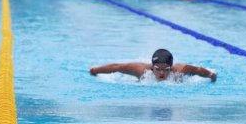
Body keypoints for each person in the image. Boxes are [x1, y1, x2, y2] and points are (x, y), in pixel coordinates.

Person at [89, 49, 217, 82]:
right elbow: (117, 67)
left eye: (166, 69)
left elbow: (198, 70)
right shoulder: (142, 71)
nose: (161, 73)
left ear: (171, 67)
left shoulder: (180, 70)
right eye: (158, 69)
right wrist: (95, 70)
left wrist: (211, 75)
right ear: (152, 67)